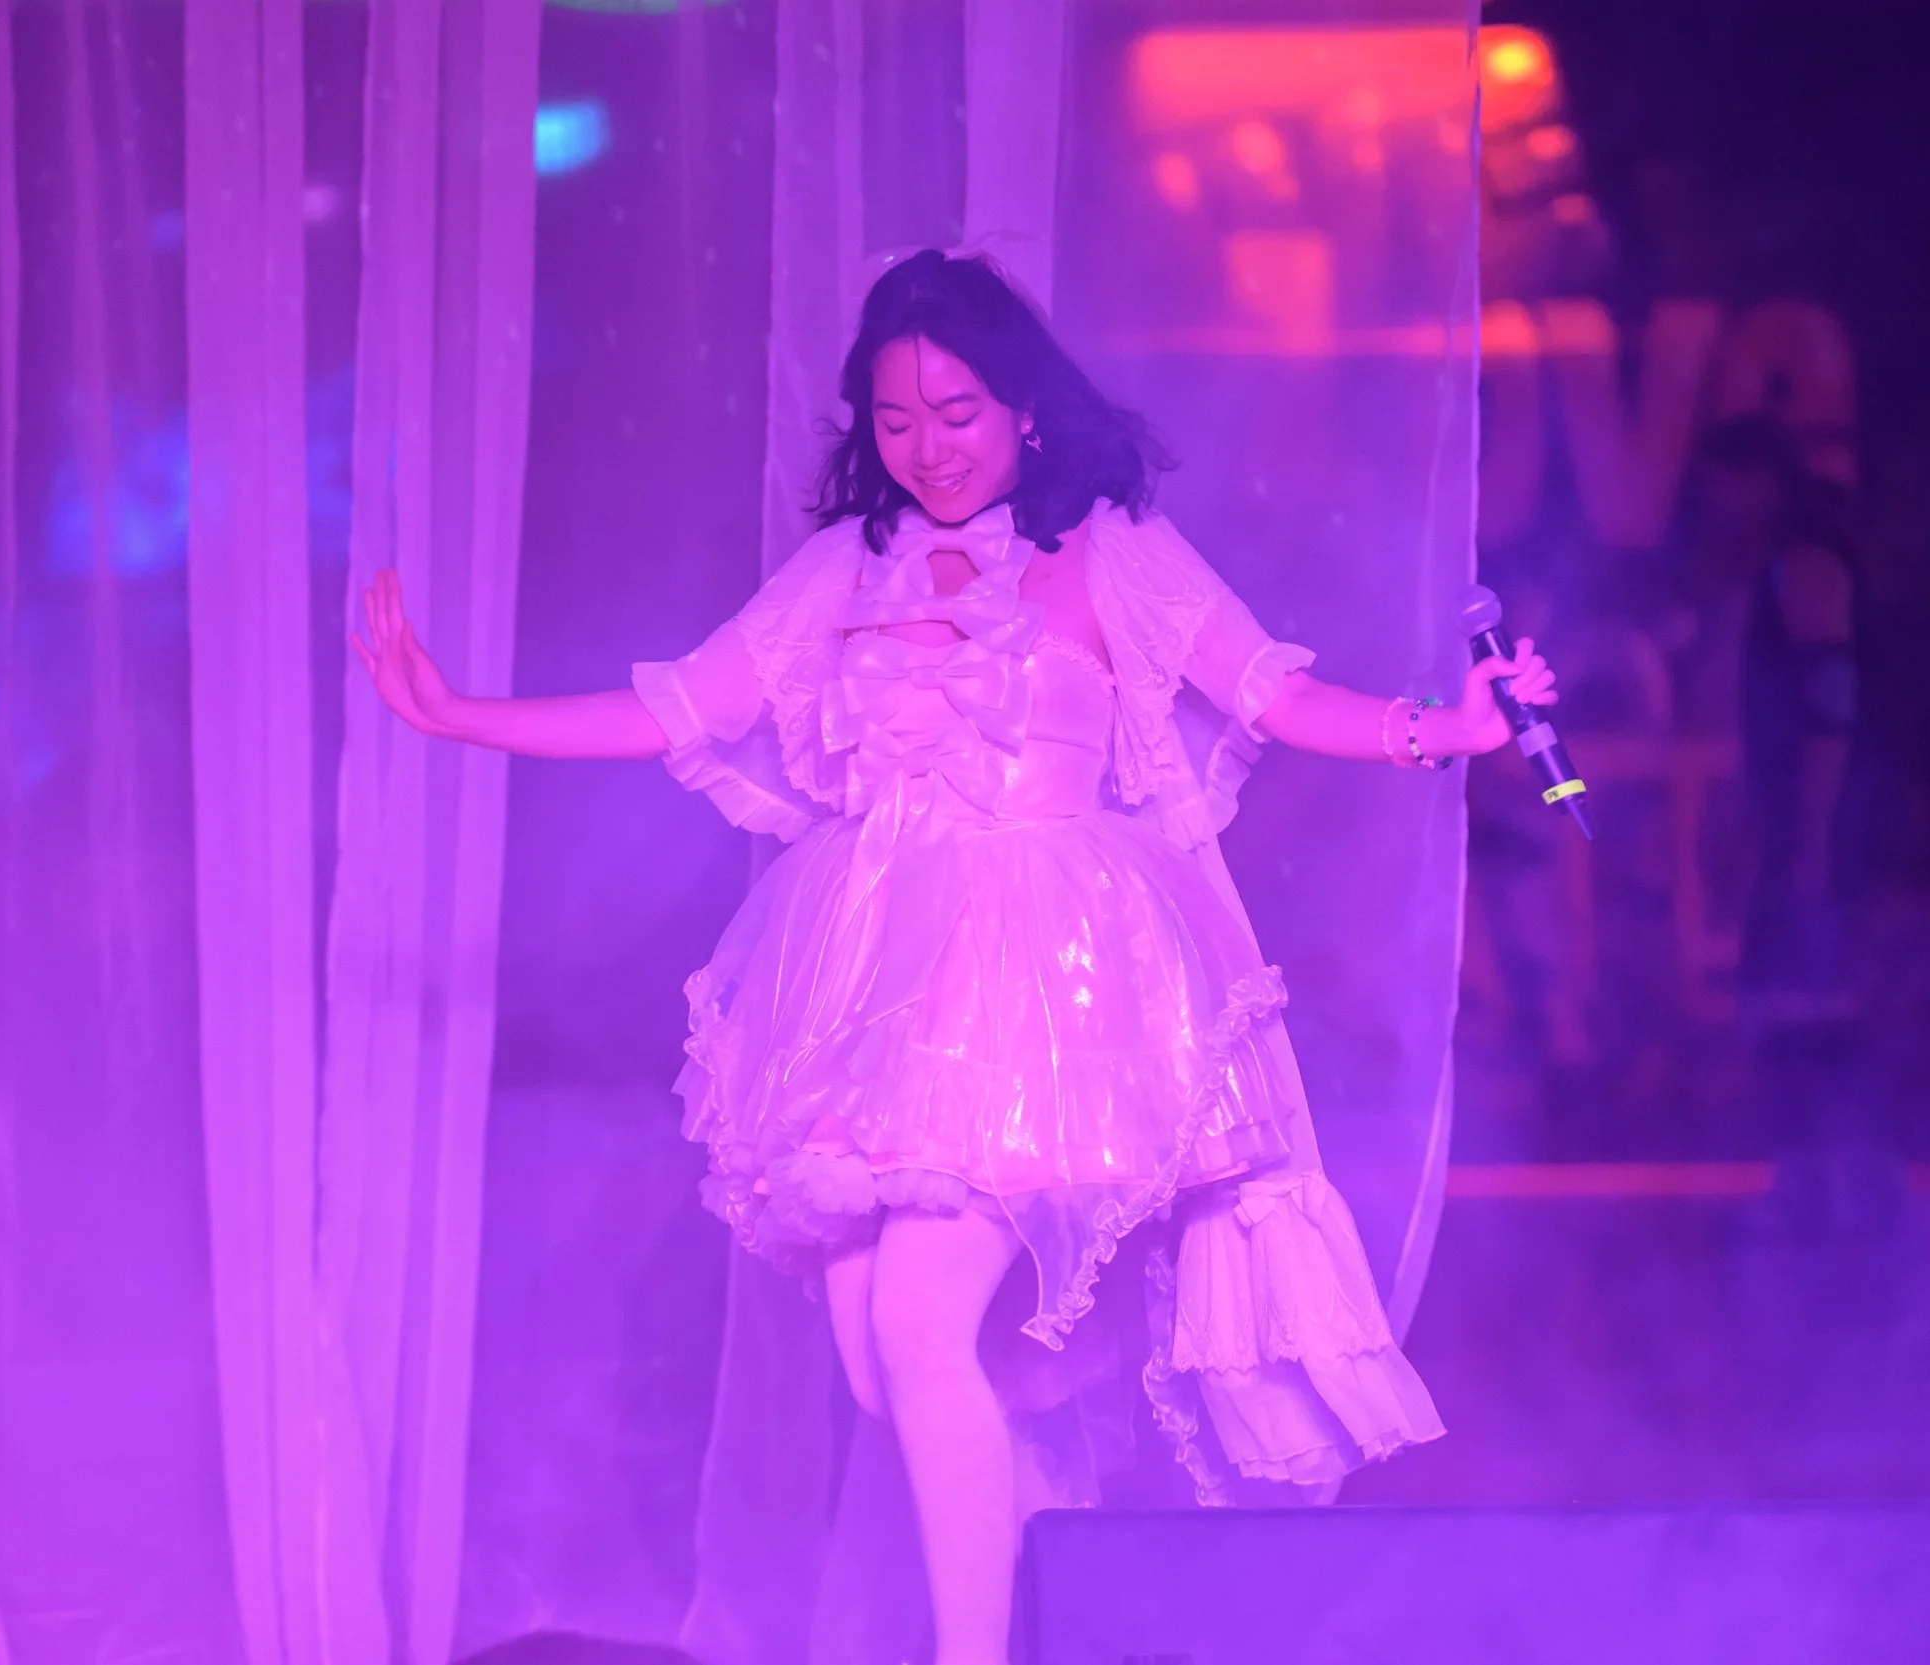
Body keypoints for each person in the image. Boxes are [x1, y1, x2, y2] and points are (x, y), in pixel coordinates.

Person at [353, 251, 1554, 1665]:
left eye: (960, 411)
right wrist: (462, 717)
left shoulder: (1110, 548)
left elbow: (1276, 697)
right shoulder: (841, 573)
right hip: (874, 991)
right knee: (884, 1360)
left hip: (1045, 981)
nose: (928, 447)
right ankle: (1061, 1548)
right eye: (898, 419)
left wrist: (1449, 729)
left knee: (922, 1328)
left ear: (1027, 409)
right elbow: (684, 704)